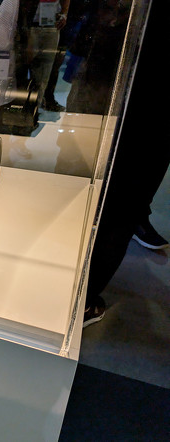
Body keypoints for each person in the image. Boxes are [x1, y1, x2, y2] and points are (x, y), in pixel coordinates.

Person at [83, 0, 168, 327]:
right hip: (128, 99)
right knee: (119, 204)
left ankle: (80, 296)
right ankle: (82, 301)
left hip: (119, 92)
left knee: (120, 202)